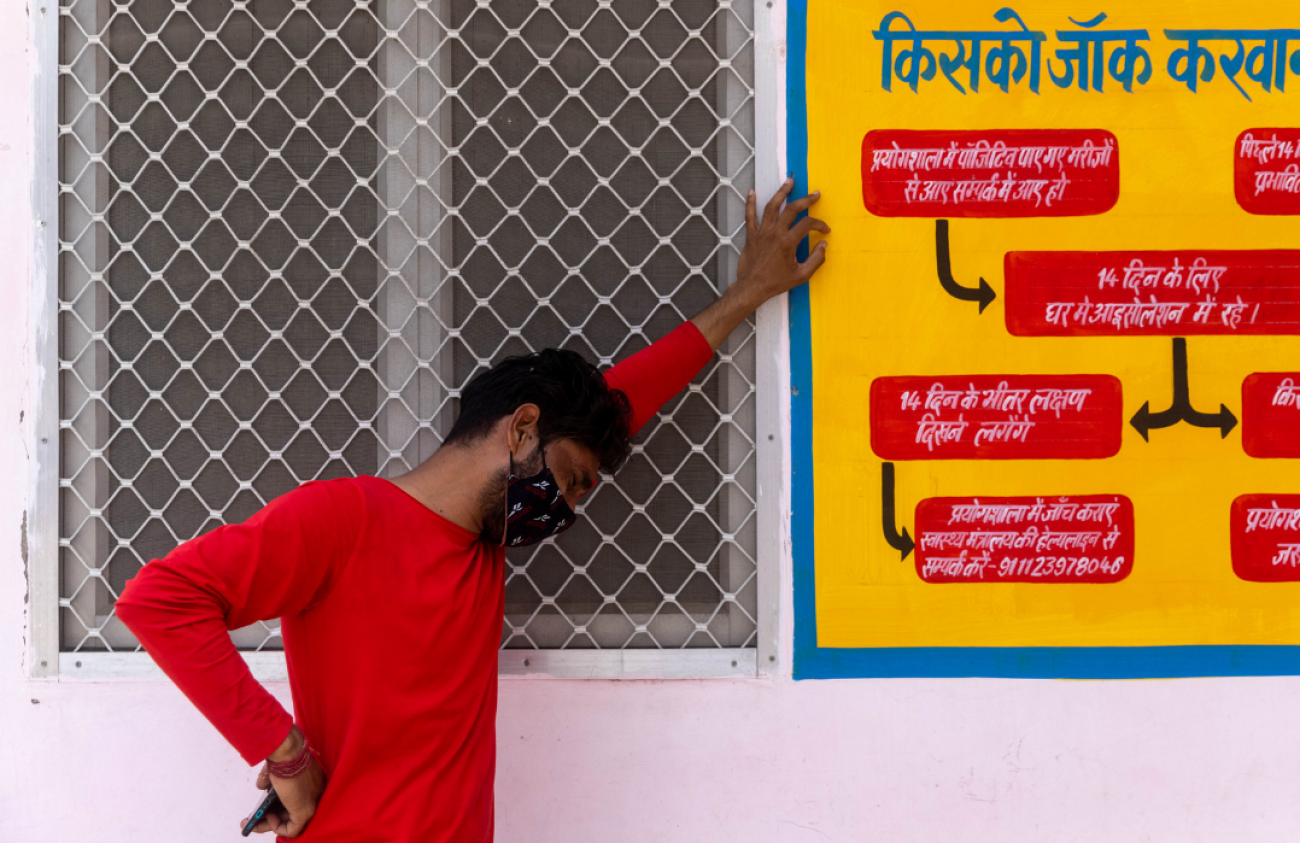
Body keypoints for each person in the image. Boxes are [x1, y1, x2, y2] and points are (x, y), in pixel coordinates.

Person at [116, 180, 829, 841]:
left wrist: (748, 294)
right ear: (520, 429)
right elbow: (161, 599)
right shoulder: (345, 519)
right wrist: (286, 752)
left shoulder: (481, 552)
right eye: (573, 479)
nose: (567, 510)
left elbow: (627, 395)